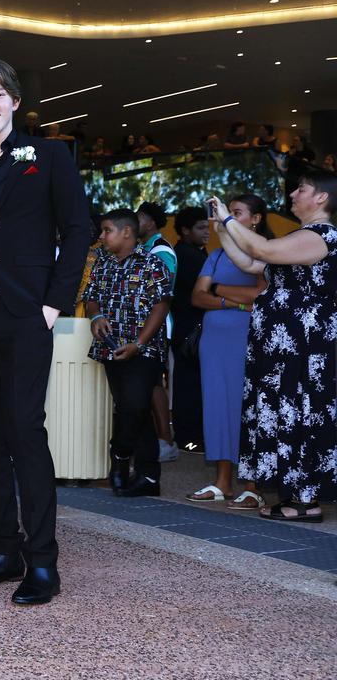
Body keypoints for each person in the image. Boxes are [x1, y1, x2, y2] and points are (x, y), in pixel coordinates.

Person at [0, 59, 92, 606]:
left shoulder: (50, 156)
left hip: (29, 313)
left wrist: (56, 302)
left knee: (26, 432)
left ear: (14, 102)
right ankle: (3, 551)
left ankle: (42, 561)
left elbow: (76, 230)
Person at [211, 170, 337, 522]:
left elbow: (261, 248)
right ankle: (296, 497)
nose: (294, 194)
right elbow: (252, 262)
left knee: (298, 411)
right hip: (283, 348)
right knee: (285, 413)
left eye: (302, 189)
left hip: (302, 348)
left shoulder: (322, 236)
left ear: (321, 198)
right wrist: (223, 229)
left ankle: (304, 501)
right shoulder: (300, 236)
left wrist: (226, 217)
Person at [185, 195, 270, 508]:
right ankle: (223, 482)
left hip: (249, 340)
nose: (225, 217)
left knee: (247, 408)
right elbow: (197, 296)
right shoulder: (218, 255)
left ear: (256, 219)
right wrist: (235, 301)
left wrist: (218, 291)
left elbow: (260, 293)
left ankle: (252, 484)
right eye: (226, 211)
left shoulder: (266, 252)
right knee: (217, 405)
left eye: (235, 213)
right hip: (214, 343)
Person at [82, 210, 172, 498]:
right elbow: (91, 297)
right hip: (110, 346)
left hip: (144, 350)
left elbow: (161, 306)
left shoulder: (152, 263)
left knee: (132, 406)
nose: (102, 236)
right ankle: (148, 476)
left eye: (107, 230)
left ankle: (119, 456)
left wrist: (139, 343)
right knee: (136, 408)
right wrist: (96, 318)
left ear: (126, 233)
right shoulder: (103, 263)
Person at [136, 201, 180, 463]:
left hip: (158, 324)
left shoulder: (161, 249)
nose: (135, 222)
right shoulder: (145, 247)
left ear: (151, 221)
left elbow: (163, 289)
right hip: (144, 324)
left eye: (139, 217)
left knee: (154, 383)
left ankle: (166, 440)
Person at [170, 206, 210, 453]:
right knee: (190, 385)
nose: (207, 232)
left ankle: (189, 437)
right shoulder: (188, 255)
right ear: (185, 230)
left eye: (207, 227)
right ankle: (189, 439)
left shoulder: (192, 252)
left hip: (187, 329)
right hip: (189, 330)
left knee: (190, 384)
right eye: (200, 228)